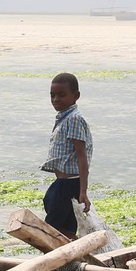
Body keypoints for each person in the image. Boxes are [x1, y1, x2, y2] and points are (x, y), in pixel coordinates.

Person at [41, 72, 91, 239]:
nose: (56, 99)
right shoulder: (64, 118)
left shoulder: (74, 119)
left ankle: (60, 262)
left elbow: (82, 156)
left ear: (75, 96)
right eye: (52, 95)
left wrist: (83, 191)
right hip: (63, 182)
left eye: (62, 95)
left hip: (69, 184)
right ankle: (73, 260)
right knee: (64, 229)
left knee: (51, 230)